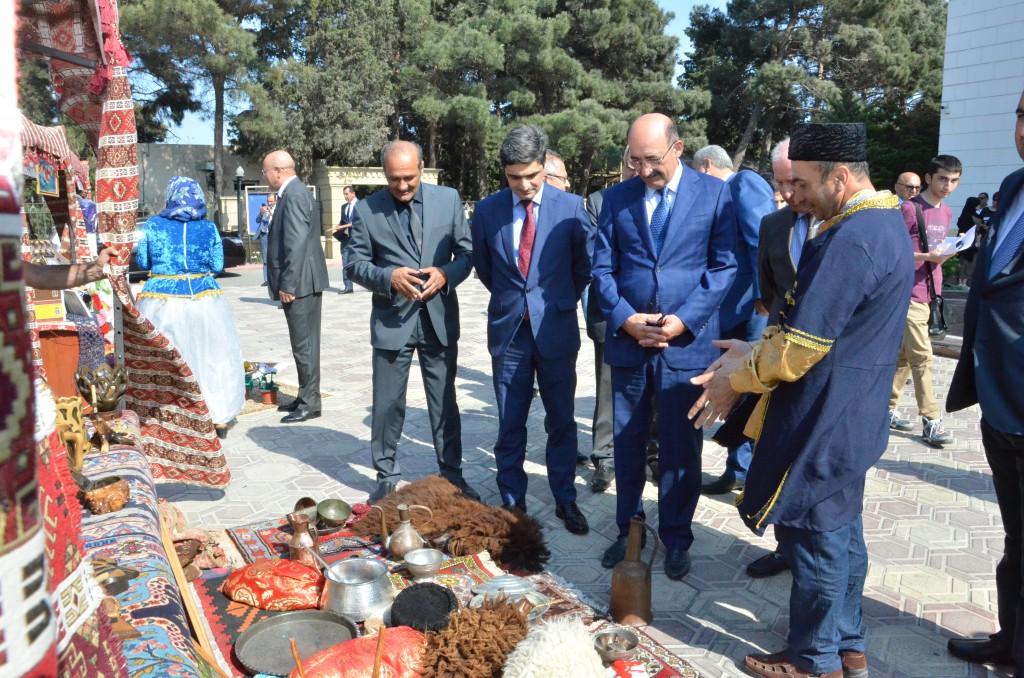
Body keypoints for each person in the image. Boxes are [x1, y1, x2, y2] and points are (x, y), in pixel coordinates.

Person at [688, 122, 913, 678]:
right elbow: (817, 329)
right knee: (843, 537)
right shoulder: (879, 224)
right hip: (848, 411)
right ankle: (848, 646)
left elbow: (801, 346)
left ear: (840, 177)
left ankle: (815, 660)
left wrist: (733, 378)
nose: (790, 195)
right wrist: (752, 346)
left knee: (816, 543)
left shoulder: (853, 237)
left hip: (823, 419)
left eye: (803, 184)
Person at [592, 113, 737, 579]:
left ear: (678, 148)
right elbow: (601, 271)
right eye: (634, 160)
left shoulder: (715, 194)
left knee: (681, 448)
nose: (642, 170)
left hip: (684, 345)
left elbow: (724, 267)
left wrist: (683, 320)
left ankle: (676, 537)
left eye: (651, 159)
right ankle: (628, 531)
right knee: (628, 443)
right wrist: (625, 319)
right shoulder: (616, 198)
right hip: (631, 342)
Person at [472, 126, 592, 534]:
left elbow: (583, 269)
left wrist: (554, 301)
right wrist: (518, 302)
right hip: (509, 333)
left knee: (561, 420)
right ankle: (511, 503)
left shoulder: (572, 208)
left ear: (545, 166)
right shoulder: (488, 211)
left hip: (556, 330)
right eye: (513, 177)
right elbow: (487, 270)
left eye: (531, 176)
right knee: (510, 422)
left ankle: (565, 497)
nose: (523, 185)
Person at [345, 140, 479, 504]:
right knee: (387, 403)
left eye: (408, 178)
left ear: (422, 169)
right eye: (394, 180)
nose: (402, 186)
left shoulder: (448, 200)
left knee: (444, 404)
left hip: (438, 319)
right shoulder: (368, 210)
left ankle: (452, 475)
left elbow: (467, 253)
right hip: (392, 321)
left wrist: (446, 274)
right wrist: (388, 278)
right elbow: (353, 264)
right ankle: (386, 475)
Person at [945, 88, 1024, 677]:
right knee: (1015, 536)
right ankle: (1010, 638)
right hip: (999, 397)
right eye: (1023, 113)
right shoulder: (1013, 188)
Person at [738, 136, 811, 580]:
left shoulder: (841, 223)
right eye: (779, 183)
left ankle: (813, 552)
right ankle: (786, 545)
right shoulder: (773, 225)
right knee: (779, 450)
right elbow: (766, 298)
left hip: (829, 367)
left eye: (795, 183)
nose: (788, 194)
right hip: (782, 357)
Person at [692, 144, 775, 496]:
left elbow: (761, 241)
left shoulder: (744, 183)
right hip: (732, 309)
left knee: (749, 387)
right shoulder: (726, 190)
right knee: (736, 385)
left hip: (750, 309)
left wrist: (762, 294)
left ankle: (743, 472)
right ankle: (736, 469)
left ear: (707, 166)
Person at [134, 177, 245, 437]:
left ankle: (168, 416)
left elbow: (142, 259)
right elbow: (217, 266)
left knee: (167, 360)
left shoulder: (153, 225)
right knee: (212, 356)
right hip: (204, 299)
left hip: (161, 301)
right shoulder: (208, 228)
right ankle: (218, 417)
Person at [887, 155, 962, 447]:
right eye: (943, 178)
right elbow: (893, 251)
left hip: (931, 292)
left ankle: (884, 409)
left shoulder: (946, 213)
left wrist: (952, 249)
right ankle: (931, 420)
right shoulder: (909, 209)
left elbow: (937, 250)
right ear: (928, 178)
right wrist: (927, 257)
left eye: (954, 180)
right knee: (922, 357)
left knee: (905, 358)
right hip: (908, 293)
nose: (948, 185)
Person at [584, 151, 637, 494]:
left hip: (657, 314)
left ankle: (647, 453)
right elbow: (595, 257)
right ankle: (604, 456)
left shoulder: (666, 200)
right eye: (632, 162)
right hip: (610, 308)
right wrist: (623, 309)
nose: (639, 169)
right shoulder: (598, 201)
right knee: (607, 386)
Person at [263, 150, 329, 424]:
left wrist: (288, 283)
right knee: (302, 344)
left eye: (266, 172)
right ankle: (305, 396)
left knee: (305, 345)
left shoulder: (295, 194)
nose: (264, 177)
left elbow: (297, 242)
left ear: (278, 171)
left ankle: (310, 402)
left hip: (300, 282)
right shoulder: (293, 193)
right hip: (301, 280)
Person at [333, 186, 357, 294]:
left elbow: (362, 221)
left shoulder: (361, 205)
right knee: (346, 262)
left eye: (347, 194)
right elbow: (343, 222)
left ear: (353, 193)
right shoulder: (344, 207)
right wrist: (338, 226)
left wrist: (350, 224)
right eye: (344, 194)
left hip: (359, 239)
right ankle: (348, 286)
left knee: (366, 262)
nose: (345, 196)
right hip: (346, 239)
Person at [255, 193, 276, 287]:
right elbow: (257, 220)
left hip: (274, 235)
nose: (269, 203)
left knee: (275, 257)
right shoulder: (264, 209)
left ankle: (275, 279)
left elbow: (278, 219)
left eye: (271, 201)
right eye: (268, 201)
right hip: (264, 234)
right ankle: (266, 280)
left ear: (275, 200)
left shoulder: (278, 209)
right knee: (265, 258)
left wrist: (271, 213)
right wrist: (261, 213)